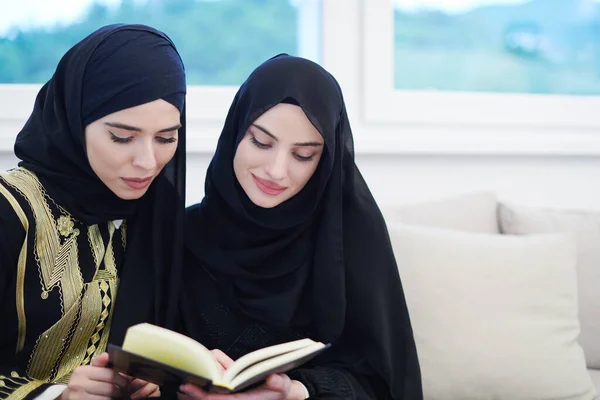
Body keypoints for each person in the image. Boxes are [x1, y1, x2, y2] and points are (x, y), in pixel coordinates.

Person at [180, 54, 422, 400]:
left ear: (325, 162)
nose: (277, 171)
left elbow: (382, 383)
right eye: (261, 143)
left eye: (304, 155)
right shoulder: (181, 235)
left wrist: (296, 391)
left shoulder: (348, 240)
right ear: (234, 132)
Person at [0, 24, 186, 399]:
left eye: (167, 138)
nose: (148, 162)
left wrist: (150, 377)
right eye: (122, 137)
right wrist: (52, 395)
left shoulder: (154, 212)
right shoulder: (10, 210)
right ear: (74, 118)